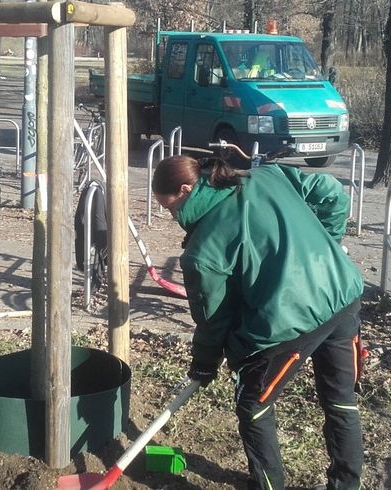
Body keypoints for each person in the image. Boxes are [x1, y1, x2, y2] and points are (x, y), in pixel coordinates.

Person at [151, 155, 365, 489]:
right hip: (342, 292)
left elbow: (213, 319)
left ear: (185, 189)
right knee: (340, 399)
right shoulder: (266, 175)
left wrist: (204, 365)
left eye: (170, 207)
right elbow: (331, 192)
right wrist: (328, 247)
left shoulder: (202, 249)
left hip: (292, 321)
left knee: (254, 406)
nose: (171, 215)